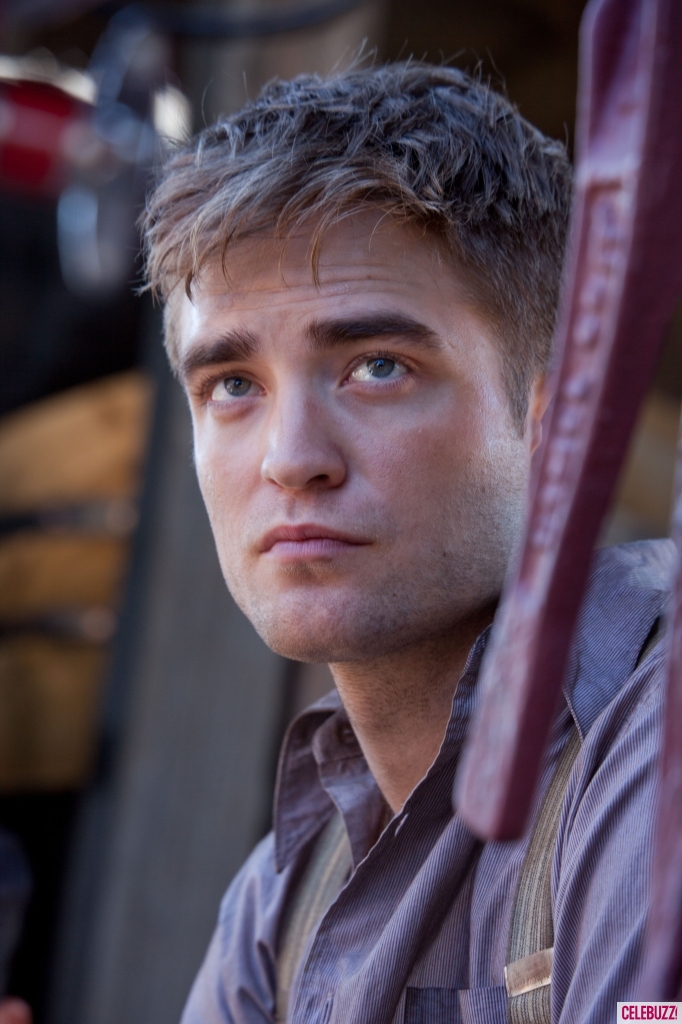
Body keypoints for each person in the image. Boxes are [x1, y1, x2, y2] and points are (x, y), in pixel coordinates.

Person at [142, 63, 670, 1024]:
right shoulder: (284, 902)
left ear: (560, 420)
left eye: (377, 367)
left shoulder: (656, 747)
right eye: (232, 385)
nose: (291, 460)